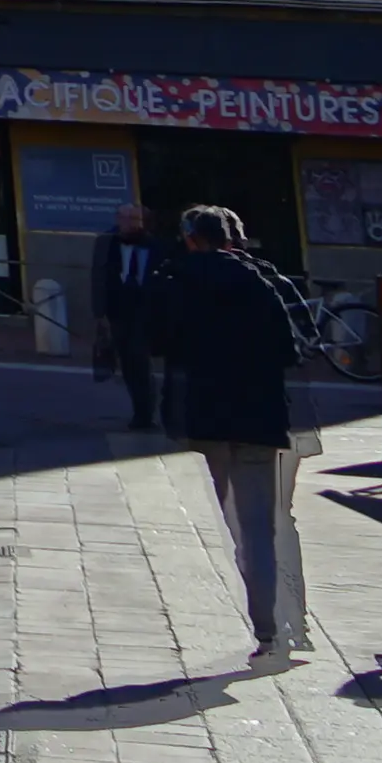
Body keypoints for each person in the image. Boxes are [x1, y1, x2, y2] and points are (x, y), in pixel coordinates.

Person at [141, 202, 313, 667]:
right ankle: (268, 629)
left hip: (199, 414)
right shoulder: (264, 279)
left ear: (191, 237)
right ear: (233, 237)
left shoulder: (172, 278)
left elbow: (154, 341)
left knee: (211, 522)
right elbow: (295, 347)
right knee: (258, 527)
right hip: (259, 415)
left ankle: (216, 621)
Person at [97, 202, 170, 431]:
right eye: (123, 218)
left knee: (141, 362)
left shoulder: (158, 247)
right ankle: (140, 411)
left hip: (147, 313)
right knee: (128, 364)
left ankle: (146, 413)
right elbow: (98, 277)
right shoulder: (107, 244)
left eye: (133, 218)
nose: (127, 223)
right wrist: (99, 313)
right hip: (119, 312)